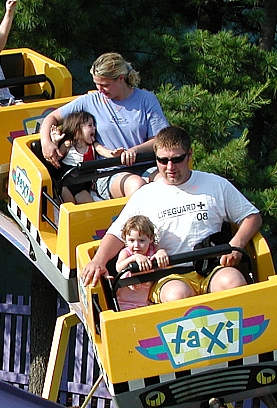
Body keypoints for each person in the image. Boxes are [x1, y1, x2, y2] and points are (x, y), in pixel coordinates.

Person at [80, 125, 262, 304]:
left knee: (233, 282)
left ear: (189, 154)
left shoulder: (215, 184)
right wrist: (98, 261)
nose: (169, 167)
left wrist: (235, 244)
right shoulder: (145, 195)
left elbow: (252, 216)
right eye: (162, 160)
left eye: (177, 159)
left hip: (211, 266)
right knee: (177, 296)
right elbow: (118, 233)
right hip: (170, 273)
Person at [39, 52, 169, 200]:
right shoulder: (90, 101)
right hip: (111, 171)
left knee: (166, 183)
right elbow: (52, 117)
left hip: (146, 165)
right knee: (136, 185)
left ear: (121, 78)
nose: (100, 90)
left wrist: (134, 150)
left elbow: (160, 139)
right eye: (97, 84)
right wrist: (46, 142)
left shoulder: (146, 100)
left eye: (105, 85)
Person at [50, 111, 121, 204]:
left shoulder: (93, 146)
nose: (94, 128)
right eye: (90, 125)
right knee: (69, 205)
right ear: (77, 130)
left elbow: (104, 151)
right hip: (66, 184)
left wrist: (114, 153)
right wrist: (55, 142)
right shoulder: (68, 145)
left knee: (87, 205)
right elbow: (55, 159)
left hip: (82, 185)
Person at [114, 215, 169, 311]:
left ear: (151, 239)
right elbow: (119, 267)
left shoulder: (153, 250)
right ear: (125, 240)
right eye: (131, 240)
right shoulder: (126, 253)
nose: (136, 245)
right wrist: (134, 258)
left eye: (141, 241)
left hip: (147, 302)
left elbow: (163, 263)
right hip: (125, 303)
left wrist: (161, 252)